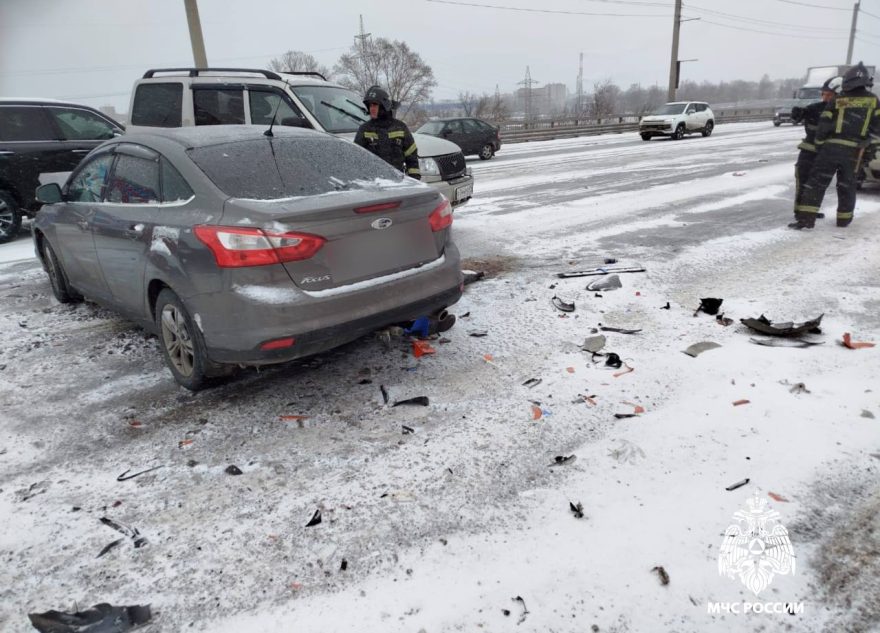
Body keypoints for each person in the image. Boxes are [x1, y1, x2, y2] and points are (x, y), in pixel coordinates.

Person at [791, 62, 880, 229]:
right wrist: (868, 147)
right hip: (854, 151)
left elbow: (824, 123)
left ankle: (806, 220)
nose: (825, 97)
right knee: (847, 185)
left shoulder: (839, 99)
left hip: (830, 149)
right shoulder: (873, 101)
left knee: (816, 183)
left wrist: (820, 144)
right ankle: (843, 220)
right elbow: (876, 128)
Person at [790, 75, 841, 220]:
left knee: (817, 184)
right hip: (808, 152)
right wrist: (797, 113)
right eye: (823, 94)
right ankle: (800, 211)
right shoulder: (815, 108)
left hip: (826, 154)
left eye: (829, 95)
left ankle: (809, 211)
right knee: (803, 180)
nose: (825, 98)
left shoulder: (841, 113)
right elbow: (798, 116)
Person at [354, 86, 421, 180]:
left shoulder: (400, 127)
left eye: (375, 105)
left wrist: (415, 179)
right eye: (370, 105)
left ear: (383, 106)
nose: (371, 108)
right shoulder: (365, 130)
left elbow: (412, 156)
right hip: (373, 183)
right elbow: (356, 158)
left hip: (397, 182)